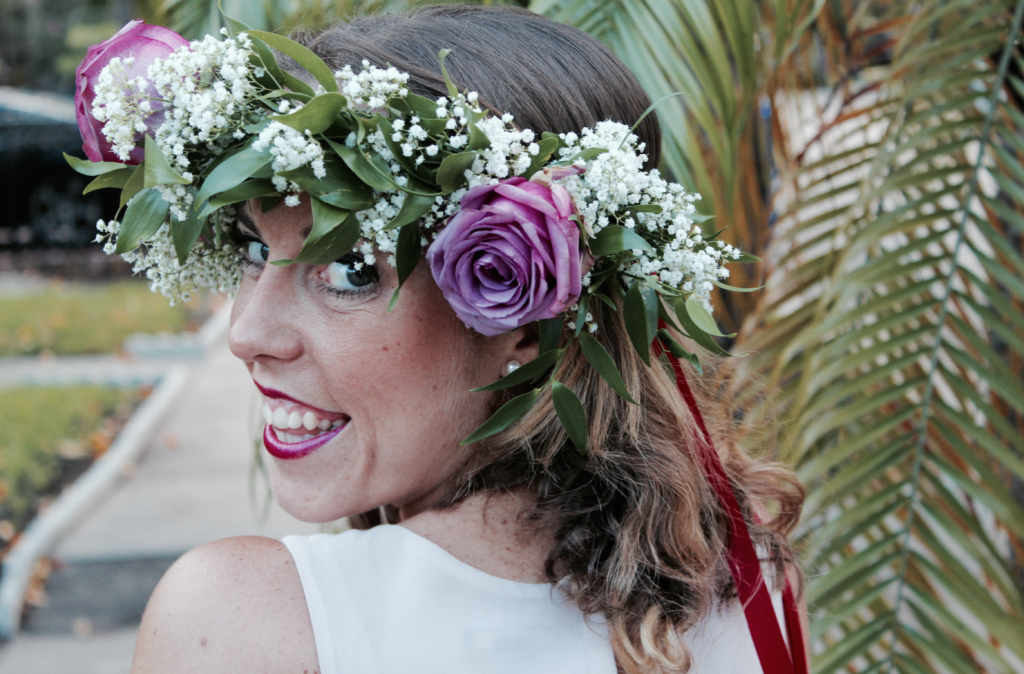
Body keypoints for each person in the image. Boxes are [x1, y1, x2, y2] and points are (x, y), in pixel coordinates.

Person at [92, 6, 807, 673]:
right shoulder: (741, 589)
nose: (245, 334)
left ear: (526, 316)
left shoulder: (242, 622)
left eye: (348, 271)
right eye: (252, 248)